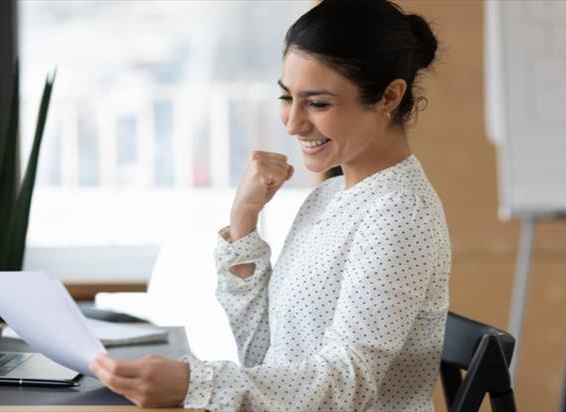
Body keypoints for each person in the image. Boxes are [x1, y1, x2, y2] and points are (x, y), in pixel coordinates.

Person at [89, 0, 451, 410]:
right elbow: (266, 355)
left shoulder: (400, 213)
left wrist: (197, 385)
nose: (293, 123)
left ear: (389, 96)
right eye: (287, 97)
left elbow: (349, 384)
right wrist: (243, 220)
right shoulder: (330, 196)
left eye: (317, 103)